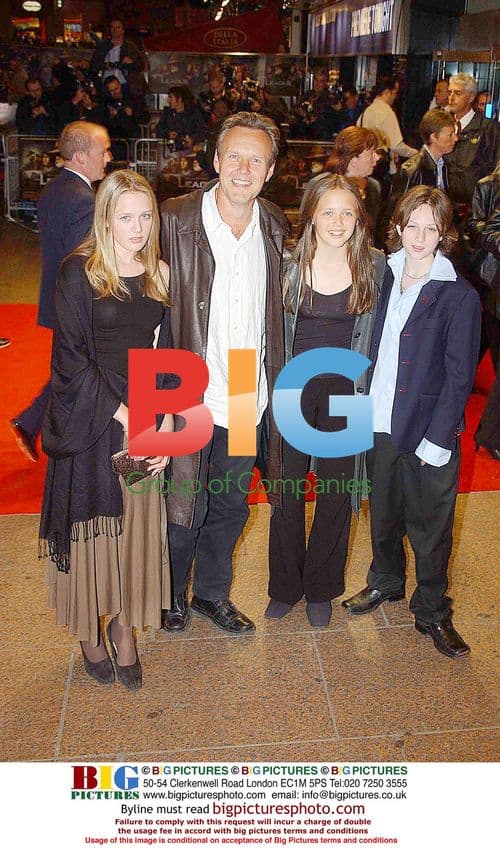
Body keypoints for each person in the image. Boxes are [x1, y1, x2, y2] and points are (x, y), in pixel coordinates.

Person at [39, 170, 172, 690]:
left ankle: (123, 627)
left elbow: (164, 352)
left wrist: (159, 422)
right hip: (91, 420)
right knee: (95, 535)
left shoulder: (158, 270)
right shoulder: (80, 273)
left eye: (145, 216)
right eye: (125, 216)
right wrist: (128, 419)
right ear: (105, 217)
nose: (137, 228)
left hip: (143, 414)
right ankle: (89, 633)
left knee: (137, 530)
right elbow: (69, 360)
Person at [160, 112, 289, 635]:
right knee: (175, 501)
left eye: (255, 159)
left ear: (271, 169)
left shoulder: (275, 223)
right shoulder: (172, 218)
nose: (243, 168)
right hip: (176, 379)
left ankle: (211, 594)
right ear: (215, 160)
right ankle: (167, 593)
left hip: (242, 385)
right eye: (233, 155)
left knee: (231, 502)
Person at [342, 186, 481, 658]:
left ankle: (432, 611)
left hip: (427, 431)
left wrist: (438, 438)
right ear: (398, 227)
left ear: (444, 234)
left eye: (431, 227)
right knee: (381, 514)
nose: (419, 236)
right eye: (412, 225)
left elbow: (461, 375)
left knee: (430, 527)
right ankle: (385, 581)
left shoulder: (457, 295)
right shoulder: (381, 277)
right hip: (377, 419)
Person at [266, 174, 386, 627]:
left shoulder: (375, 267)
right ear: (311, 213)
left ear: (359, 218)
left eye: (348, 213)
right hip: (294, 388)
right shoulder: (285, 265)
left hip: (348, 394)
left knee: (336, 494)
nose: (338, 222)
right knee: (287, 491)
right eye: (328, 211)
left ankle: (321, 587)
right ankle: (284, 585)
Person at [10, 121, 111, 462]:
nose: (108, 158)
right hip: (77, 306)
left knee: (70, 370)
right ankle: (45, 429)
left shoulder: (53, 190)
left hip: (55, 299)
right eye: (103, 151)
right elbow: (86, 263)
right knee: (80, 371)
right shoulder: (85, 201)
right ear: (82, 156)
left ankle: (31, 423)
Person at [465, 164, 500, 460]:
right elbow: (484, 228)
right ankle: (490, 435)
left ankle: (490, 434)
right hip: (490, 281)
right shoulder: (488, 184)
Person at [445, 72, 499, 206]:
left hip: (474, 206)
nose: (451, 98)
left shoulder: (487, 128)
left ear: (470, 97)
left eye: (457, 93)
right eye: (450, 92)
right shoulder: (444, 124)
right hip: (445, 202)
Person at [324, 126, 382, 242]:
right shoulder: (322, 186)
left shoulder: (374, 187)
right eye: (372, 153)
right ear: (353, 159)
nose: (377, 157)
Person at [357, 76, 417, 175]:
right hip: (383, 169)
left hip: (365, 166)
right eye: (395, 93)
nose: (396, 97)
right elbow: (396, 145)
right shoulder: (387, 112)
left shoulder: (366, 111)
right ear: (387, 92)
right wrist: (416, 153)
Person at [156, 85, 207, 151]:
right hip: (169, 151)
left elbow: (202, 130)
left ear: (179, 99)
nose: (168, 101)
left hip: (190, 151)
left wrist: (192, 138)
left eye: (171, 98)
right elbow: (159, 130)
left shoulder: (193, 113)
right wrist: (168, 133)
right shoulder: (167, 113)